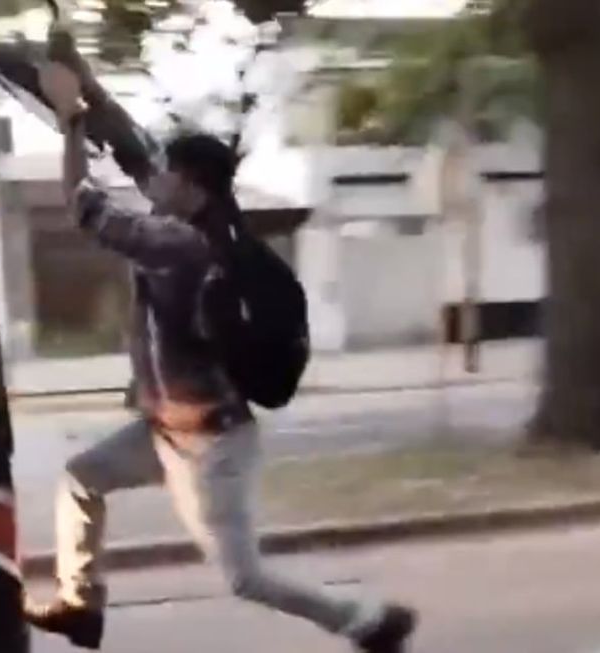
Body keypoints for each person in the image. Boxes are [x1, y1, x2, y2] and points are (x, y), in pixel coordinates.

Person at [25, 58, 417, 653]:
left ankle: (367, 623)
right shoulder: (204, 218)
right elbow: (134, 150)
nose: (154, 181)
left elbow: (86, 207)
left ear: (192, 186)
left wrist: (73, 118)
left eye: (166, 177)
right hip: (166, 430)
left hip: (211, 446)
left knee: (245, 577)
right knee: (81, 479)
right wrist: (88, 83)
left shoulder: (181, 245)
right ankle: (80, 606)